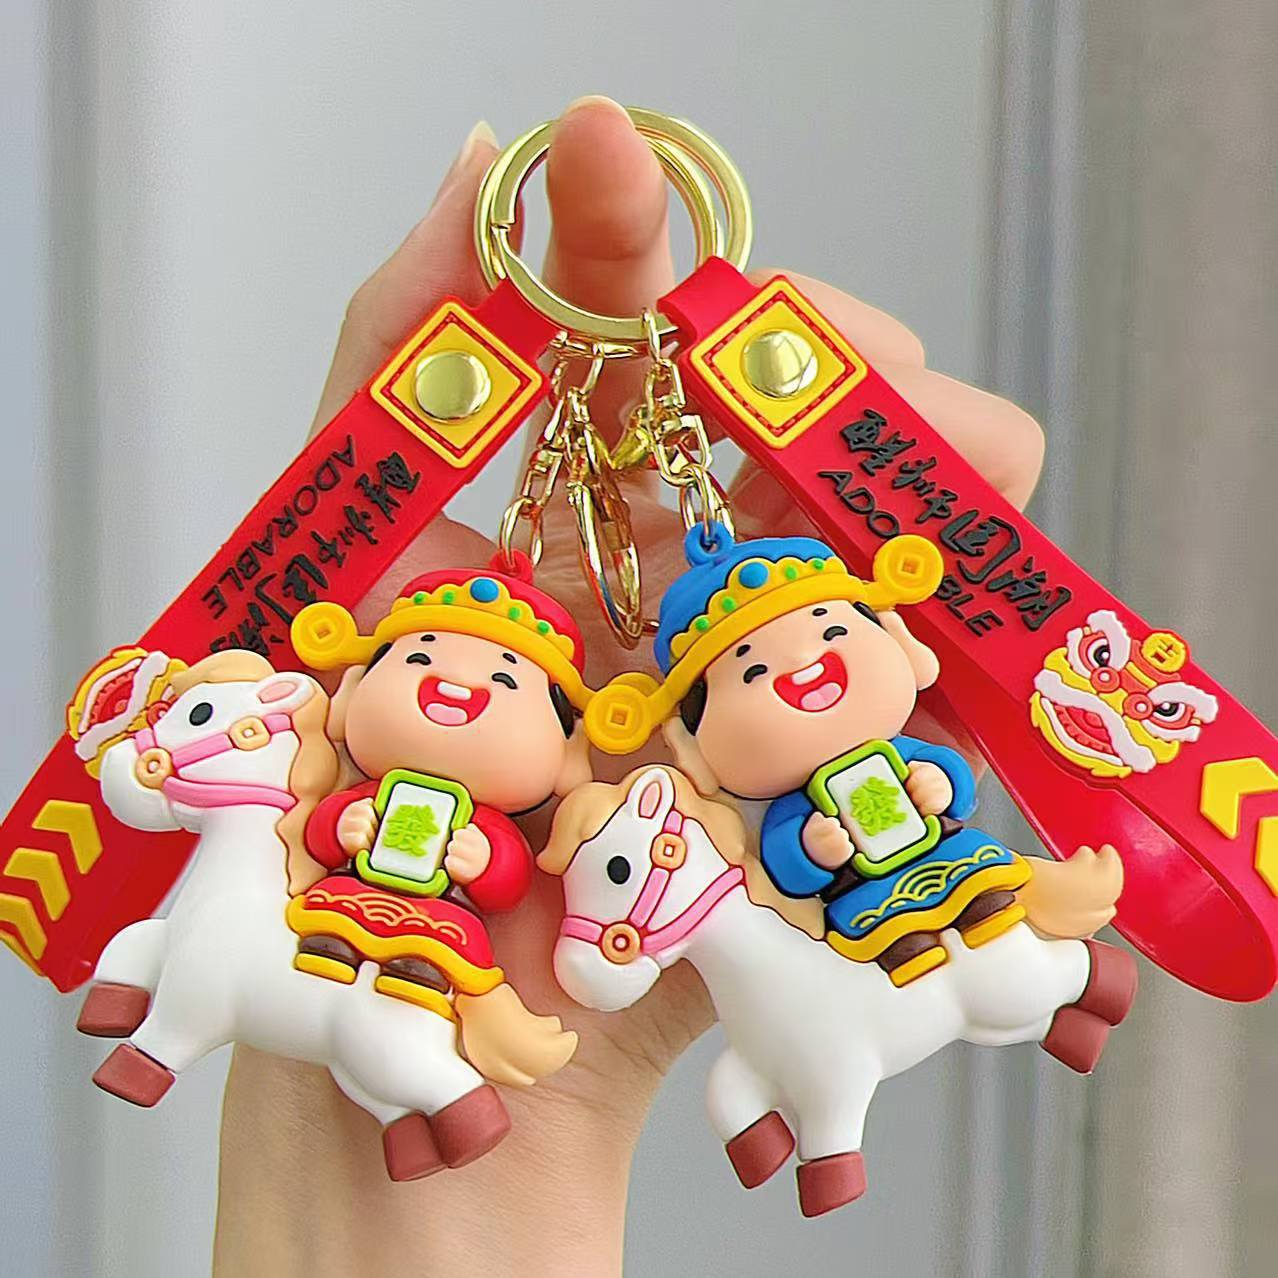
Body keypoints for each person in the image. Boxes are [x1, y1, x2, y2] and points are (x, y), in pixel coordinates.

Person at [213, 96, 1047, 1277]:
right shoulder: (368, 782)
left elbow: (823, 835)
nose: (458, 693)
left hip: (888, 878)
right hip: (384, 921)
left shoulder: (812, 774)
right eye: (422, 663)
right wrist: (387, 835)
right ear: (343, 696)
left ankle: (1053, 972)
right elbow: (487, 864)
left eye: (503, 678)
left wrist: (846, 820)